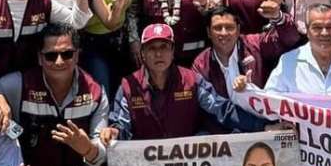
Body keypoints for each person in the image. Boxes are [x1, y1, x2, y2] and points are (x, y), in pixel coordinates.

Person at [12, 25, 112, 166]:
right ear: (39, 58)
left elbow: (102, 151)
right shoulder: (19, 83)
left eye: (67, 54)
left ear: (77, 54)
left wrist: (87, 148)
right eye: (50, 55)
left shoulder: (96, 91)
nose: (59, 61)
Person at [103, 23, 263, 142]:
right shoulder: (129, 86)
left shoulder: (191, 80)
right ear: (142, 53)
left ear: (173, 51)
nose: (158, 53)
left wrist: (262, 126)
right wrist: (114, 132)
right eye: (152, 48)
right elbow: (121, 126)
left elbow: (222, 110)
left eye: (164, 47)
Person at [194, 4, 299, 108]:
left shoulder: (255, 44)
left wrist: (279, 18)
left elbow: (290, 39)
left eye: (229, 27)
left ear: (238, 30)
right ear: (208, 32)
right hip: (224, 123)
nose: (224, 33)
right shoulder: (201, 65)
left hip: (264, 116)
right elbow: (213, 107)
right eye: (217, 28)